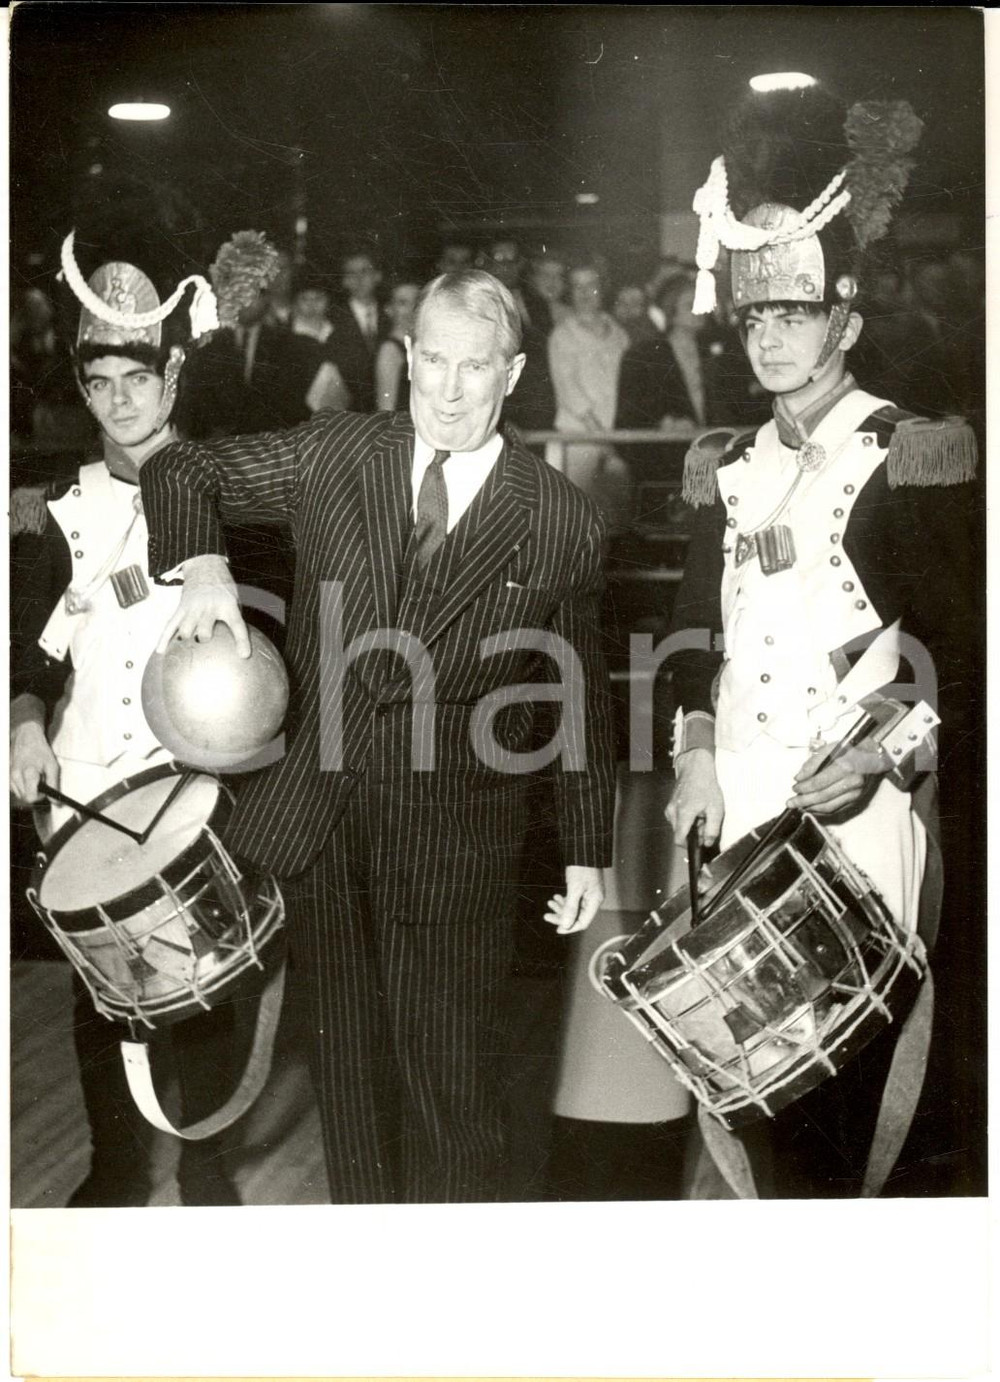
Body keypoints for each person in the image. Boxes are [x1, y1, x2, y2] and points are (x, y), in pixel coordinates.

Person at [139, 269, 617, 1204]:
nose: (445, 389)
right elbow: (180, 465)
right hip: (322, 829)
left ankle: (451, 1329)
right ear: (405, 357)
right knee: (348, 1092)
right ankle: (371, 1312)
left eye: (471, 366)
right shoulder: (338, 450)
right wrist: (203, 568)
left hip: (456, 844)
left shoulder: (560, 517)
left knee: (452, 1096)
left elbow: (580, 692)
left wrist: (588, 847)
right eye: (429, 359)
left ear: (512, 373)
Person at [666, 83, 977, 1197]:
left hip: (859, 824)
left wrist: (877, 750)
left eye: (792, 314)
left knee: (843, 1113)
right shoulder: (723, 467)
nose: (769, 337)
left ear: (843, 319)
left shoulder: (910, 455)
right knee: (754, 1107)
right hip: (737, 811)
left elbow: (960, 654)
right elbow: (688, 635)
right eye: (754, 316)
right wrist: (693, 751)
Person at [9, 236, 278, 1206]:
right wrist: (24, 719)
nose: (119, 399)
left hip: (194, 785)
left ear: (173, 374)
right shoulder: (53, 510)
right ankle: (114, 1168)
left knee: (207, 988)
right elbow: (29, 652)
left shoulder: (230, 492)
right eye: (100, 380)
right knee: (102, 994)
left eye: (138, 376)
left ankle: (206, 1169)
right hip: (83, 786)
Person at [547, 261, 631, 516]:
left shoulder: (620, 334)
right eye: (577, 286)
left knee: (617, 520)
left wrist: (618, 439)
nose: (584, 293)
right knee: (579, 518)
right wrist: (603, 439)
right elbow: (570, 392)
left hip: (618, 438)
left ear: (603, 289)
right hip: (579, 439)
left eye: (591, 285)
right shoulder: (561, 335)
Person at [326, 250, 388, 412]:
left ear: (377, 276)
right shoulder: (332, 319)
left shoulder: (390, 316)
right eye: (351, 273)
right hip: (349, 412)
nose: (359, 279)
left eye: (365, 271)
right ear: (344, 281)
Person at [373, 276, 421, 411]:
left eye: (416, 302)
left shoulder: (417, 346)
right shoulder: (390, 350)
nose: (412, 309)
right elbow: (386, 410)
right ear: (389, 309)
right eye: (403, 303)